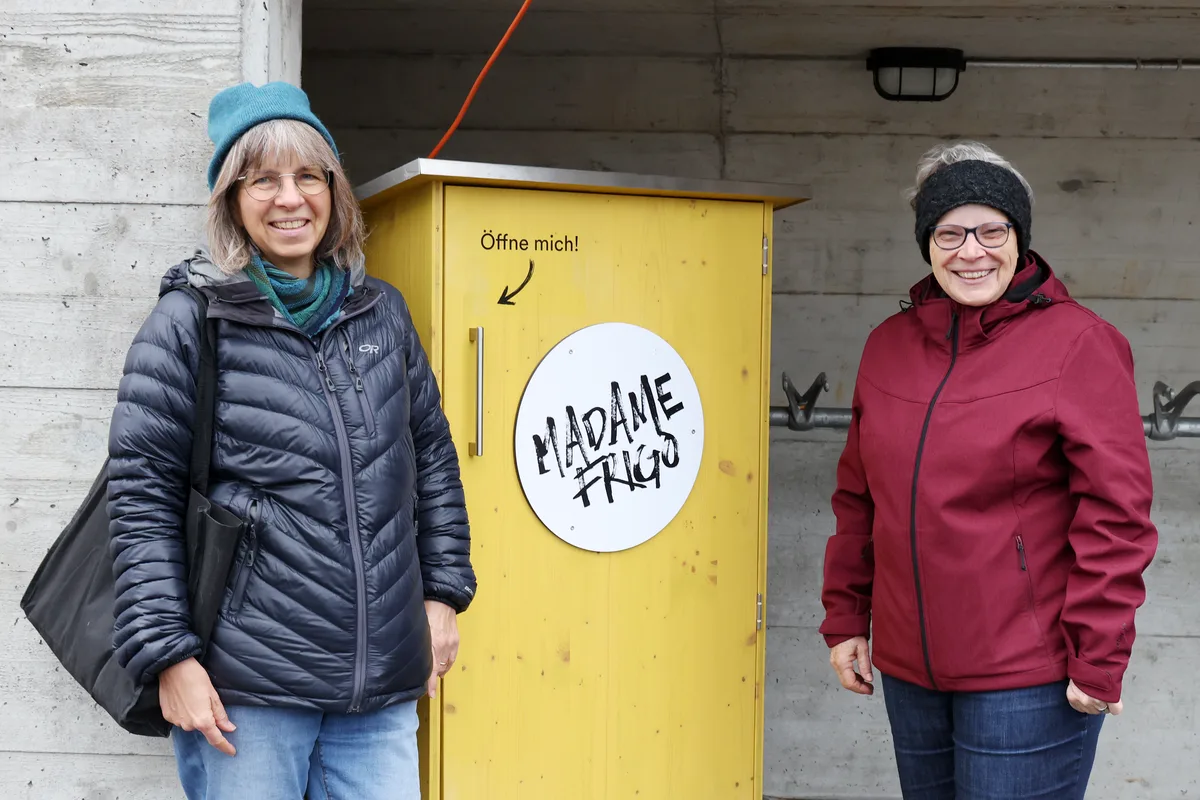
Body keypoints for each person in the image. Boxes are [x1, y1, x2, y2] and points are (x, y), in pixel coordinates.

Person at [107, 81, 476, 799]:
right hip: (247, 690)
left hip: (376, 690)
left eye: (309, 176)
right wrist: (170, 659)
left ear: (333, 190)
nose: (289, 199)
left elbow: (431, 457)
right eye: (263, 180)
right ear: (232, 201)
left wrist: (442, 595)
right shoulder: (190, 323)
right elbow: (141, 499)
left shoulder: (381, 314)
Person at [819, 141, 1157, 799]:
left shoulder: (1079, 343)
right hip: (910, 671)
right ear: (926, 243)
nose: (971, 251)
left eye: (991, 230)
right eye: (949, 233)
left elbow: (1117, 517)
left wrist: (1100, 658)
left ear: (1019, 239)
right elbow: (859, 498)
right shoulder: (887, 347)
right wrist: (845, 620)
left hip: (1024, 678)